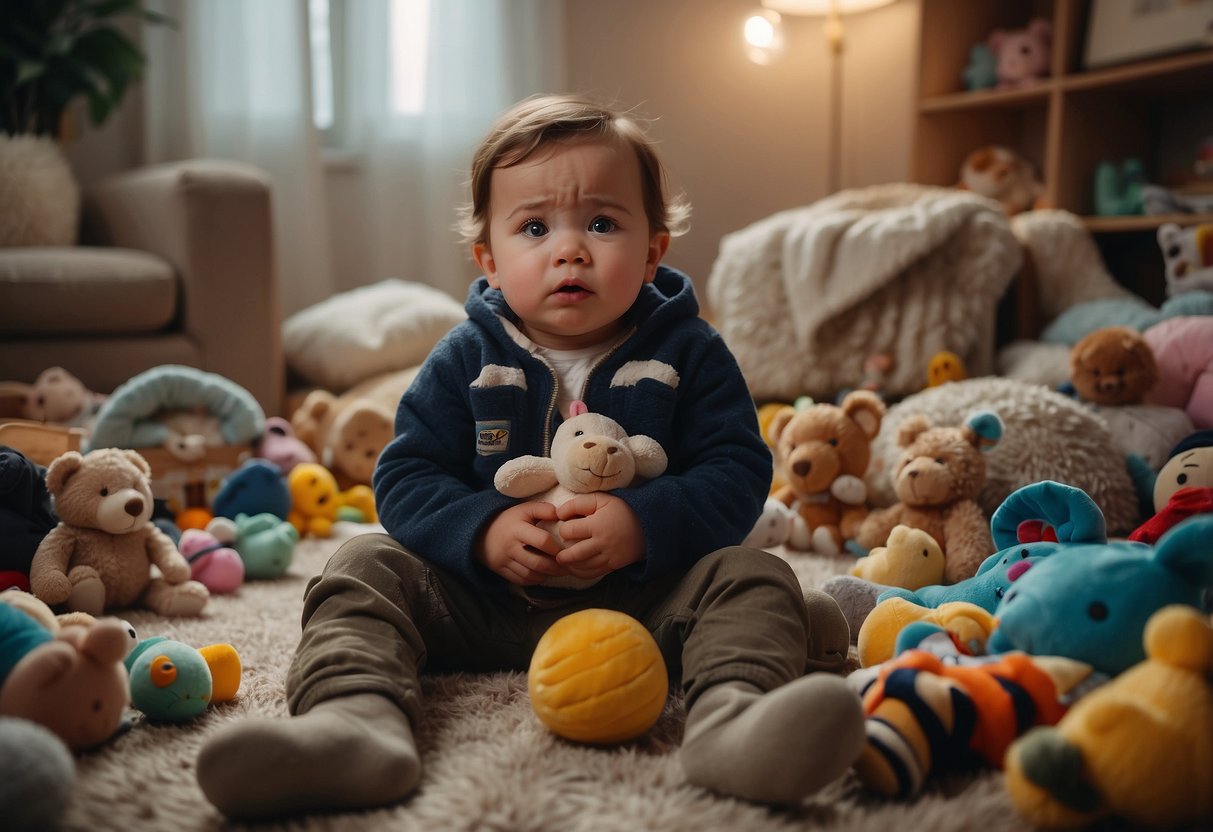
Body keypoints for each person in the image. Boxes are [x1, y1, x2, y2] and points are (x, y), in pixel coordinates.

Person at [195, 93, 863, 819]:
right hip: (480, 602)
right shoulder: (466, 356)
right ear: (489, 257)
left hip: (646, 601)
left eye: (602, 223)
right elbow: (406, 474)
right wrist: (481, 530)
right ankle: (354, 722)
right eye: (534, 227)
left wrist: (642, 524)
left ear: (653, 251)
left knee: (756, 574)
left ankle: (732, 724)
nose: (569, 248)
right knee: (361, 564)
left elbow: (735, 472)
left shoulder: (689, 351)